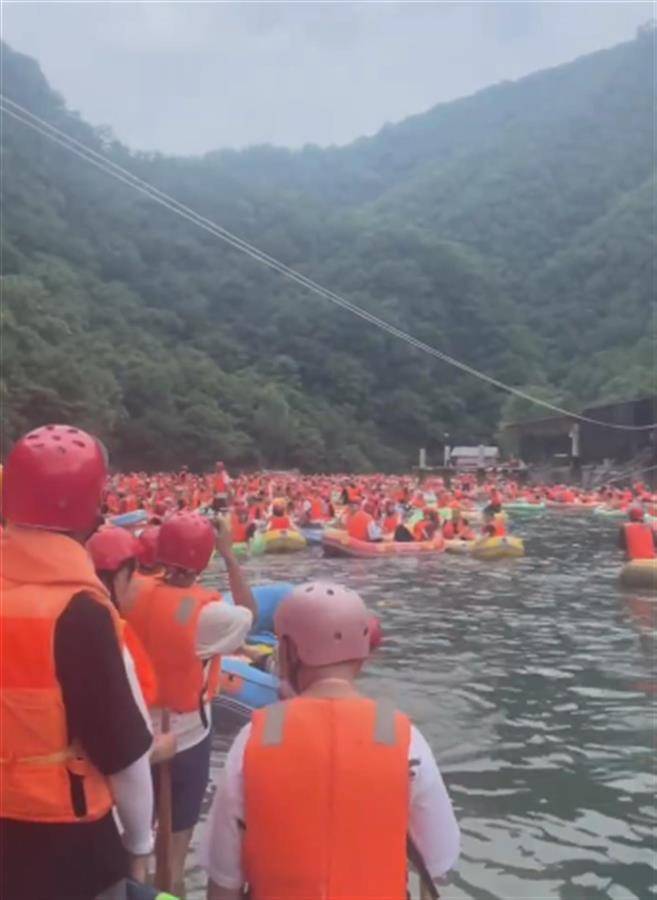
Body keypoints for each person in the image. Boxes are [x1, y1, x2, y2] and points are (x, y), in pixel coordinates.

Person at [203, 582, 460, 898]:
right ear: (363, 655)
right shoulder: (406, 739)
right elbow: (438, 859)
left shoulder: (253, 738)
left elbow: (223, 879)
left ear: (288, 651)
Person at [1, 424, 154, 900]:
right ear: (93, 507)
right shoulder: (82, 613)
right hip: (69, 844)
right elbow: (123, 753)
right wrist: (139, 843)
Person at [122, 511, 256, 897]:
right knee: (174, 856)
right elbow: (251, 614)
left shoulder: (129, 591)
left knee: (135, 852)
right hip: (186, 740)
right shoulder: (211, 616)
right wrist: (230, 555)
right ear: (205, 560)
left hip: (134, 737)